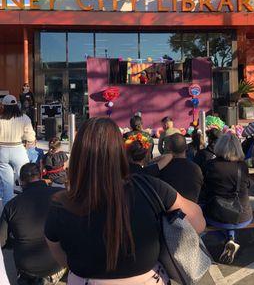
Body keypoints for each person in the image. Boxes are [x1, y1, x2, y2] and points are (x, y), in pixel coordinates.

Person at [45, 117, 205, 284]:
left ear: (78, 155)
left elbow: (61, 257)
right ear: (120, 151)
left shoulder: (60, 203)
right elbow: (198, 223)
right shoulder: (150, 187)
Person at [0, 163, 64, 285]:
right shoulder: (61, 194)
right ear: (40, 176)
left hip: (27, 270)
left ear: (21, 181)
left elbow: (2, 241)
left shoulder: (11, 206)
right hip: (58, 265)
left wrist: (17, 240)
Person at [204, 133, 252, 264]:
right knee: (230, 214)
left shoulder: (211, 165)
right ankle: (230, 238)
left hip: (217, 213)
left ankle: (226, 238)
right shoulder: (242, 166)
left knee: (210, 210)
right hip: (242, 214)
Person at [0, 95, 34, 205]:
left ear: (3, 106)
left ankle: (7, 212)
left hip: (2, 150)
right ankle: (28, 205)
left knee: (7, 185)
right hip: (18, 149)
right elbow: (30, 137)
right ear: (16, 105)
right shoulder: (24, 118)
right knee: (26, 177)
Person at [158, 133, 203, 203]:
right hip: (191, 210)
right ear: (186, 147)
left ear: (168, 148)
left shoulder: (162, 168)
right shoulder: (196, 169)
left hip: (169, 210)